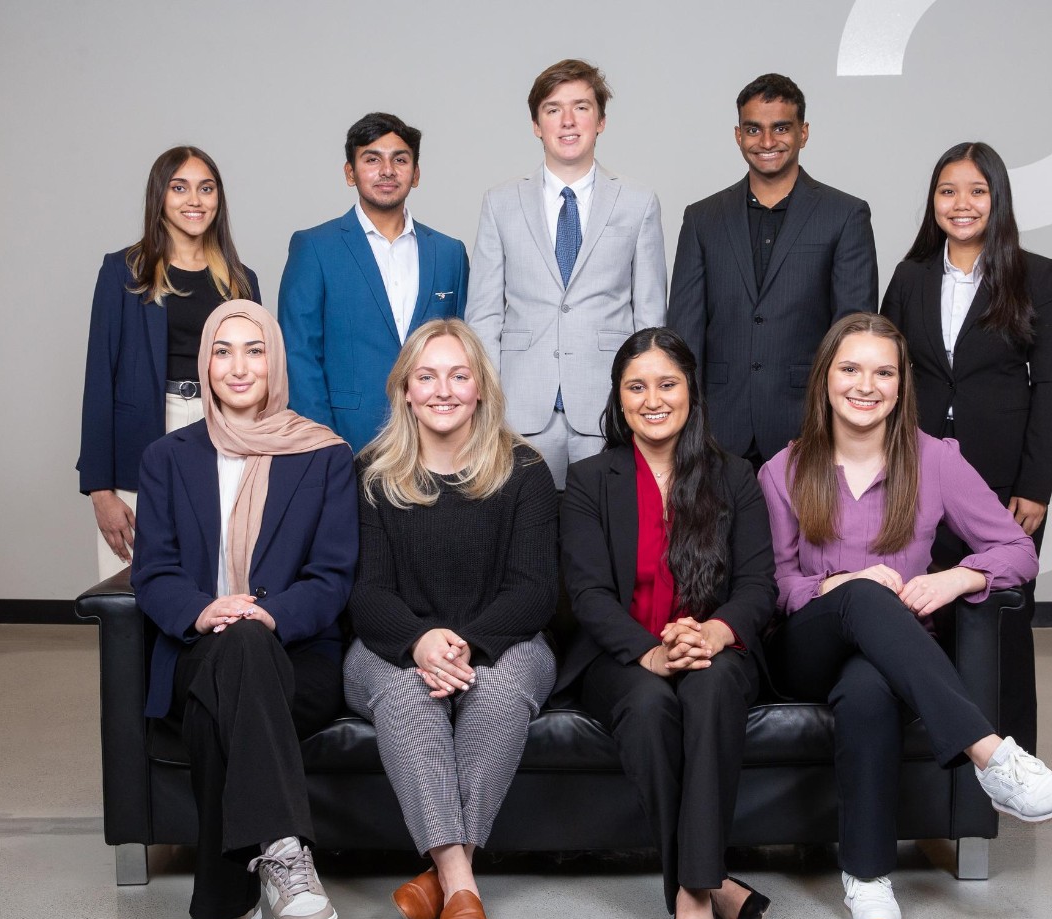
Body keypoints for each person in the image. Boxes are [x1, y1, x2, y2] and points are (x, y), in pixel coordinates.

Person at [758, 313, 1052, 919]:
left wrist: (956, 577)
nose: (866, 385)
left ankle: (869, 878)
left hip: (887, 657)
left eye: (883, 372)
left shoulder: (935, 460)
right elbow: (774, 588)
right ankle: (993, 757)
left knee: (870, 688)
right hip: (802, 651)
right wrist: (844, 585)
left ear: (903, 386)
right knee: (866, 594)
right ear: (825, 379)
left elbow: (1018, 551)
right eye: (850, 369)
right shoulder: (784, 470)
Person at [132, 301, 357, 919]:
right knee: (229, 658)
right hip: (194, 652)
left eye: (254, 349)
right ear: (205, 363)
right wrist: (205, 611)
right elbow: (155, 571)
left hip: (299, 657)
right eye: (223, 350)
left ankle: (225, 898)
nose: (238, 365)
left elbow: (332, 575)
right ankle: (287, 854)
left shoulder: (323, 455)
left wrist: (268, 612)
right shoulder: (166, 457)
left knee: (239, 664)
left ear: (275, 362)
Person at [343, 319, 558, 919]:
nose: (443, 390)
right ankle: (461, 880)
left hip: (504, 643)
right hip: (390, 647)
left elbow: (534, 590)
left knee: (497, 690)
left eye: (459, 376)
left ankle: (441, 879)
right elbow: (366, 593)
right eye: (427, 376)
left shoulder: (525, 472)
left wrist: (461, 642)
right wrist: (419, 642)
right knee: (408, 695)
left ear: (481, 388)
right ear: (405, 390)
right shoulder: (371, 475)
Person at [561, 328, 774, 919]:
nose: (652, 399)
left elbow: (760, 584)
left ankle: (690, 890)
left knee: (708, 691)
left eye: (667, 383)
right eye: (636, 386)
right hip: (623, 655)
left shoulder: (734, 476)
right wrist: (650, 651)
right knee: (652, 707)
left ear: (691, 392)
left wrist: (712, 631)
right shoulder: (587, 480)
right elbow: (588, 593)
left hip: (716, 647)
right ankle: (706, 885)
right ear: (619, 399)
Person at [881, 141, 1052, 752]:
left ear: (998, 199)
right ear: (933, 201)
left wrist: (1035, 487)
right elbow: (886, 368)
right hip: (916, 473)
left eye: (976, 191)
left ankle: (1013, 760)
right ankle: (941, 752)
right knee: (924, 610)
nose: (961, 204)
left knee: (1005, 620)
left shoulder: (1035, 276)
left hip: (1002, 481)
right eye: (947, 191)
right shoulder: (910, 276)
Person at [465, 59, 667, 490]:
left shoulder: (638, 202)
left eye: (581, 107)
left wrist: (642, 400)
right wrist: (487, 403)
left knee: (605, 539)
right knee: (526, 541)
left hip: (608, 405)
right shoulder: (500, 202)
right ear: (536, 124)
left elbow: (650, 319)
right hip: (519, 406)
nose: (568, 121)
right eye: (554, 109)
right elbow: (483, 315)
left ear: (601, 120)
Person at [667, 73, 877, 468]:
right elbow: (685, 331)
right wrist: (686, 422)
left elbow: (853, 330)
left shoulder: (845, 215)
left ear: (804, 133)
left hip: (808, 422)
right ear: (737, 134)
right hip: (718, 425)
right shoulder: (702, 218)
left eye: (781, 128)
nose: (766, 142)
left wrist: (841, 422)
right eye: (753, 129)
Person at [79, 146, 260, 579]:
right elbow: (98, 377)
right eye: (180, 188)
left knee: (214, 577)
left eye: (206, 188)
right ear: (159, 196)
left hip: (223, 430)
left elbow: (258, 374)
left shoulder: (240, 279)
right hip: (141, 434)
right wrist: (100, 490)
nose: (194, 200)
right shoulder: (123, 271)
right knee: (131, 584)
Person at [279, 112, 470, 450]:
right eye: (372, 159)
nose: (387, 171)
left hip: (434, 439)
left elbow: (463, 351)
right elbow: (298, 354)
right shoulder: (314, 248)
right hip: (346, 436)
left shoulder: (449, 252)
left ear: (416, 174)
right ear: (350, 173)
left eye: (400, 159)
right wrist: (322, 441)